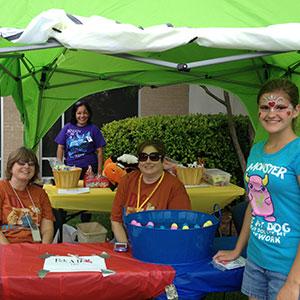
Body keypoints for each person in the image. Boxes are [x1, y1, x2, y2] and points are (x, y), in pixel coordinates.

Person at [213, 78, 300, 300]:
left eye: (280, 106)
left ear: (295, 110)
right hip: (257, 257)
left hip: (287, 264)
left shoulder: (298, 152)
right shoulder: (257, 150)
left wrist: (294, 282)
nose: (272, 113)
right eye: (265, 107)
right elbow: (255, 204)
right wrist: (237, 250)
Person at [111, 140, 192, 243]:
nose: (148, 161)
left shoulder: (175, 186)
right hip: (126, 241)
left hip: (161, 244)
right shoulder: (127, 180)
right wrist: (125, 246)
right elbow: (116, 220)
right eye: (143, 157)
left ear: (163, 161)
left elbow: (180, 227)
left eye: (154, 157)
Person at [0, 147, 55, 244]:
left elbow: (47, 230)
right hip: (6, 247)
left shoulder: (40, 193)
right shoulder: (2, 188)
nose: (26, 166)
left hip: (34, 248)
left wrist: (43, 250)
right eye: (21, 162)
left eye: (31, 164)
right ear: (11, 167)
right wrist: (10, 251)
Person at [55, 100, 106, 178]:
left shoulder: (93, 129)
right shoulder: (67, 127)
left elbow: (100, 151)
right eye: (79, 113)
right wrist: (59, 167)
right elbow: (60, 147)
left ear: (89, 114)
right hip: (71, 169)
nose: (82, 116)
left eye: (85, 113)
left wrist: (99, 173)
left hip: (90, 169)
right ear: (74, 114)